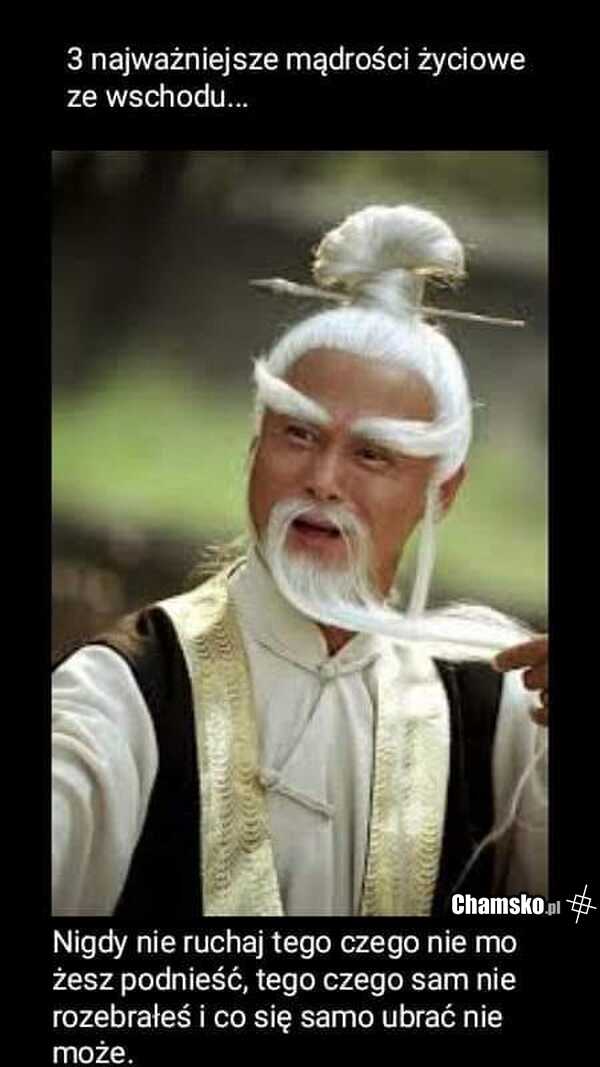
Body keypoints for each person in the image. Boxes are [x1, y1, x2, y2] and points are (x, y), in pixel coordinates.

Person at [52, 204, 548, 918]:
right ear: (255, 445)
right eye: (298, 434)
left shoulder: (498, 710)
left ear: (442, 491)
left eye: (372, 453)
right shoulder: (123, 693)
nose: (323, 480)